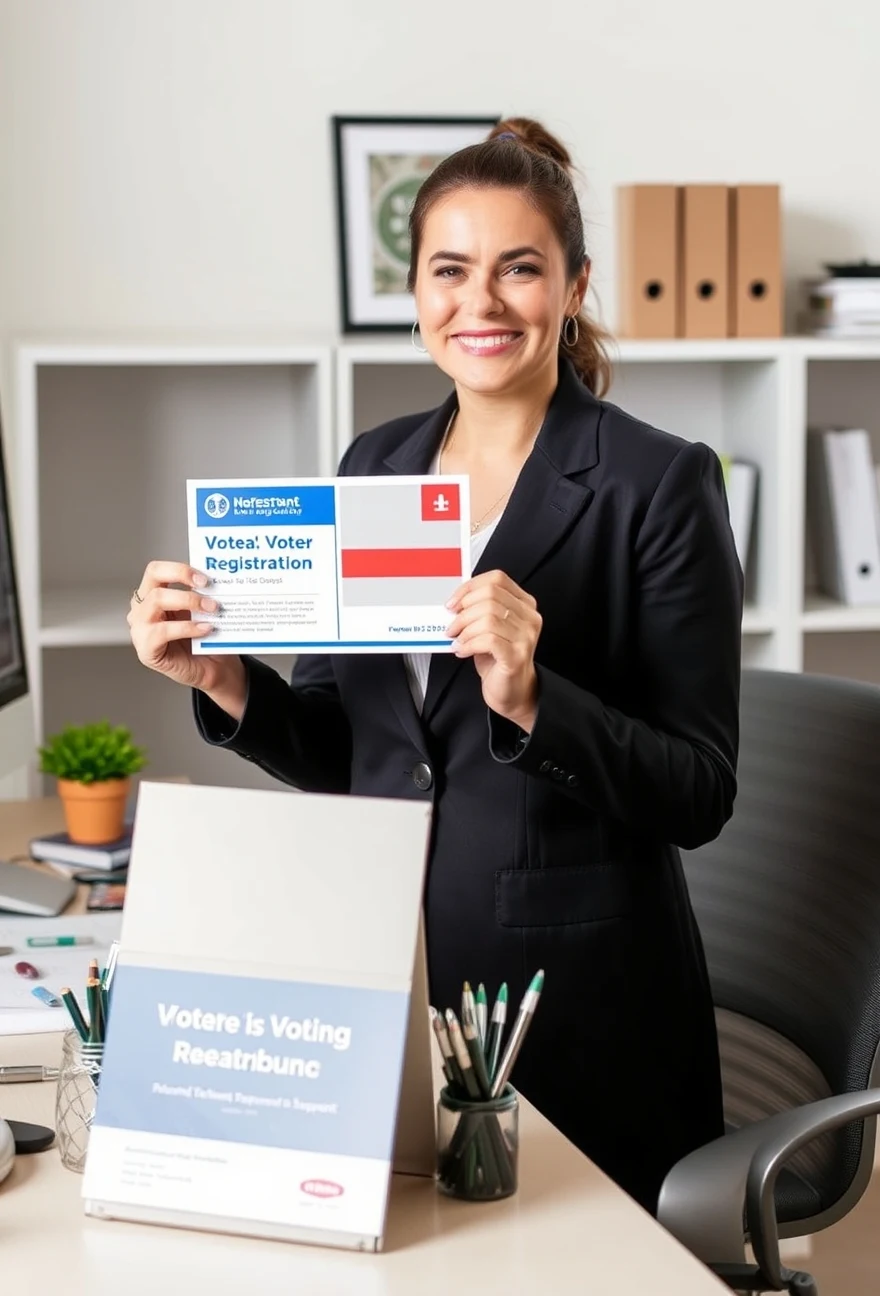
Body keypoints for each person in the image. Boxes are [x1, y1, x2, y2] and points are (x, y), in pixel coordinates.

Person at [128, 116, 743, 1214]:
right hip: (388, 976)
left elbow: (698, 791)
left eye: (519, 269)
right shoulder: (378, 468)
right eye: (450, 270)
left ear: (574, 283)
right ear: (414, 292)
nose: (482, 303)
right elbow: (349, 755)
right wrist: (220, 681)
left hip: (576, 1008)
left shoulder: (658, 483)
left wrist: (532, 697)